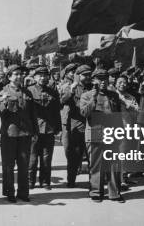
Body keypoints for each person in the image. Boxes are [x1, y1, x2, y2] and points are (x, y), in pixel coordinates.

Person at [79, 69, 124, 203]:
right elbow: (84, 113)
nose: (102, 81)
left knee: (114, 164)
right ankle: (96, 192)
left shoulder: (114, 95)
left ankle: (114, 193)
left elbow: (118, 115)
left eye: (105, 78)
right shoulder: (86, 95)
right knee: (96, 164)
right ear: (93, 81)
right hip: (95, 133)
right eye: (99, 79)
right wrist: (93, 99)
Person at [0, 65, 38, 203]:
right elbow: (0, 112)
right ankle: (9, 192)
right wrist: (4, 102)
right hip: (9, 134)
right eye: (16, 74)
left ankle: (23, 193)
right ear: (9, 77)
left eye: (21, 74)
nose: (19, 76)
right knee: (8, 165)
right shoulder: (3, 91)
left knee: (24, 164)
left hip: (25, 134)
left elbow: (33, 115)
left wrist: (35, 131)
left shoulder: (27, 92)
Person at [27, 66, 61, 190]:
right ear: (35, 77)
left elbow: (57, 111)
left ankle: (45, 181)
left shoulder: (53, 92)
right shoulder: (29, 91)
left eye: (45, 75)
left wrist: (58, 127)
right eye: (40, 75)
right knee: (32, 157)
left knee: (47, 158)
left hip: (49, 129)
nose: (42, 78)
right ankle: (30, 182)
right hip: (34, 129)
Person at [59, 64, 92, 188]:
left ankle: (93, 182)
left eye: (89, 74)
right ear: (78, 76)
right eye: (85, 75)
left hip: (91, 125)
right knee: (74, 156)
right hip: (77, 126)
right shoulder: (71, 87)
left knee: (92, 157)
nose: (88, 77)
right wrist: (71, 90)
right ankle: (71, 180)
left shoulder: (93, 87)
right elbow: (62, 101)